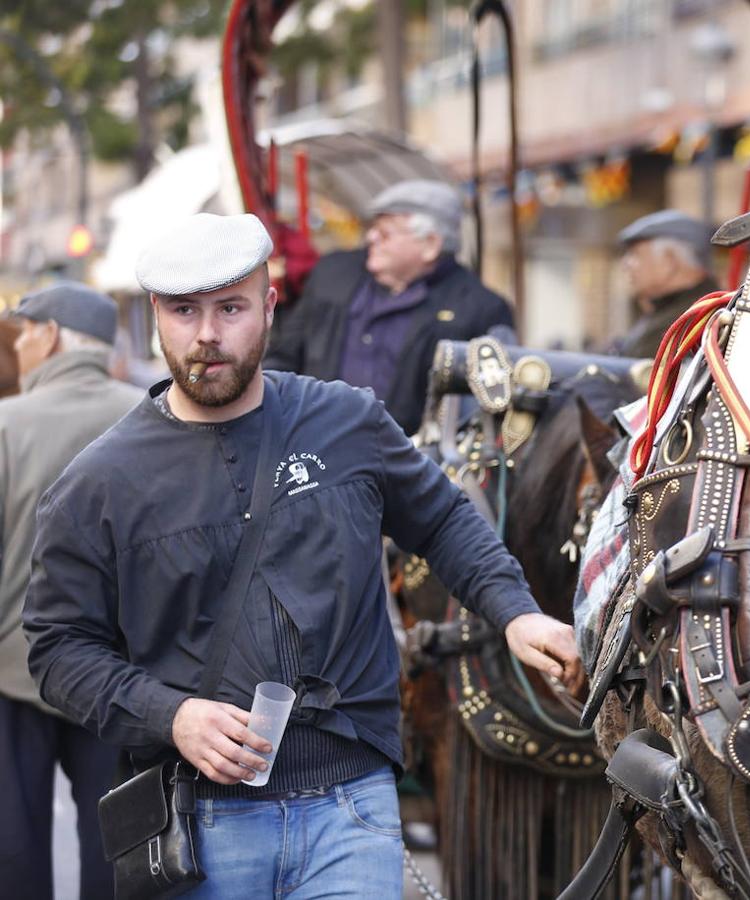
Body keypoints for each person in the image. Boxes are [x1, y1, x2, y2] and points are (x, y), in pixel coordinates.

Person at [24, 213, 580, 898]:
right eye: (183, 311)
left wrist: (517, 614)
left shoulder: (347, 420)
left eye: (230, 308)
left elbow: (440, 519)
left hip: (353, 809)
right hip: (199, 828)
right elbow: (57, 647)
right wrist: (170, 714)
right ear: (153, 318)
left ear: (269, 305)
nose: (206, 335)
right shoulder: (99, 481)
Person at [0, 284, 141, 900]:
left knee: (13, 851)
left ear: (50, 335)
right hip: (126, 678)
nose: (20, 347)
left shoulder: (6, 424)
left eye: (24, 333)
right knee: (119, 850)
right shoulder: (151, 417)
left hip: (13, 671)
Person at [265, 179, 515, 435]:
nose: (371, 237)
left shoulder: (480, 309)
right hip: (314, 443)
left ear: (430, 245)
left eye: (385, 233)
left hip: (412, 463)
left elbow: (485, 406)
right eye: (373, 228)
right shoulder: (332, 274)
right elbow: (284, 355)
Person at [610, 209, 717, 358]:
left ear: (669, 261)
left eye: (635, 254)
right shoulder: (671, 312)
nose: (625, 264)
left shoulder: (693, 320)